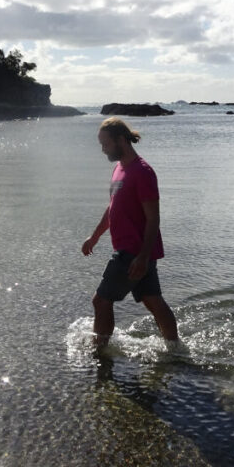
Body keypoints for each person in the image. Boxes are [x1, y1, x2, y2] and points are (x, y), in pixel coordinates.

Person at [82, 117, 178, 347]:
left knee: (101, 300)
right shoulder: (119, 169)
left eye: (105, 144)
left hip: (133, 252)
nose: (103, 149)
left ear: (121, 140)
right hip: (134, 252)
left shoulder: (142, 172)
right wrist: (95, 236)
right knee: (152, 300)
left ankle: (100, 352)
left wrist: (143, 257)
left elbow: (154, 218)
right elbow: (113, 207)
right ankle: (175, 349)